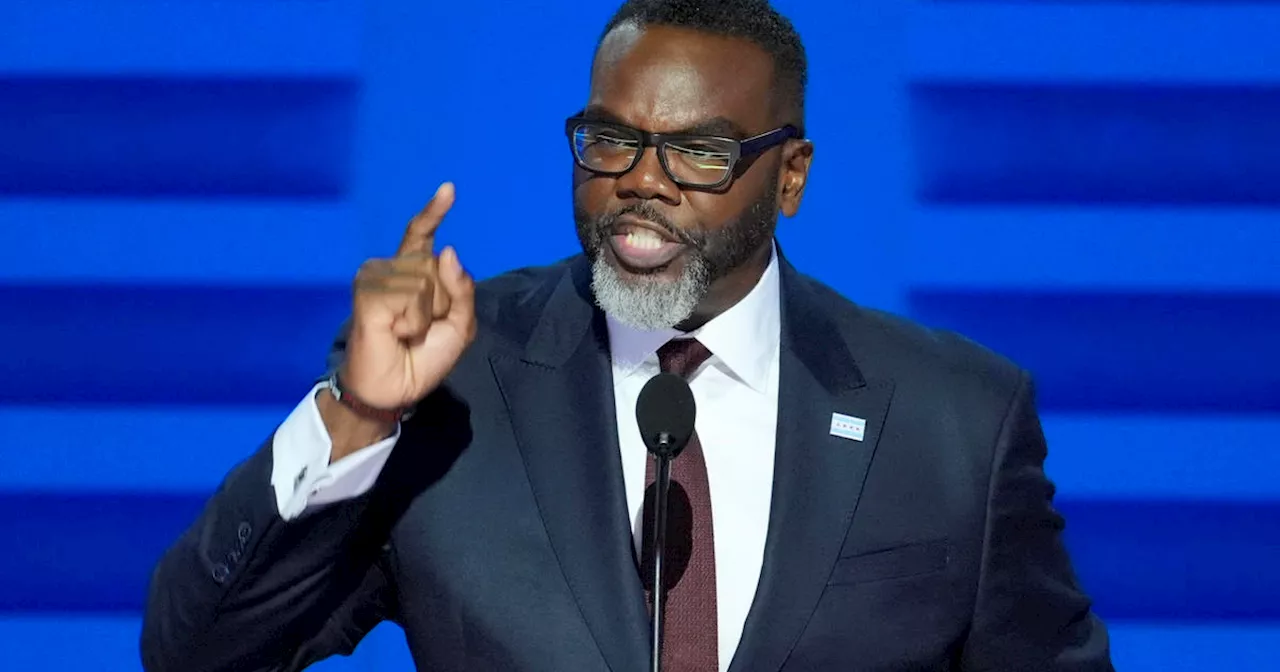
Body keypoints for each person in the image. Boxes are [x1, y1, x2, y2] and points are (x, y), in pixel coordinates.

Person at [141, 0, 1114, 670]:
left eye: (699, 150)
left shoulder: (953, 422)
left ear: (789, 177)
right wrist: (357, 416)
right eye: (610, 139)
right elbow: (201, 652)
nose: (640, 180)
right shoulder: (451, 385)